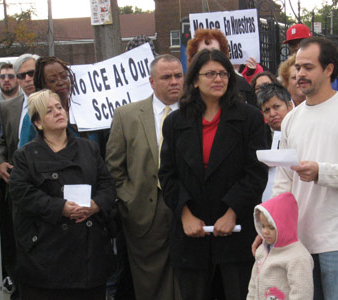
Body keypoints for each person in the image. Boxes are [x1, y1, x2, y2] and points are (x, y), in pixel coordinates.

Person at [269, 37, 338, 299]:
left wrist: (321, 172)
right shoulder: (291, 120)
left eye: (308, 67)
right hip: (299, 239)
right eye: (298, 67)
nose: (300, 74)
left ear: (329, 69)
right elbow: (284, 181)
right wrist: (272, 222)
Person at [158, 49, 268, 300]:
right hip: (191, 236)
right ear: (195, 80)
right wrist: (185, 214)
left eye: (223, 73)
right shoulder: (175, 123)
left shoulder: (249, 118)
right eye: (210, 74)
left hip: (236, 234)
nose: (218, 79)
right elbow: (167, 174)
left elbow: (256, 172)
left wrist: (232, 212)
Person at [8, 89, 116, 299]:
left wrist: (96, 205)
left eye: (59, 107)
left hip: (88, 255)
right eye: (49, 111)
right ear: (38, 123)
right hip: (46, 256)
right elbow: (21, 192)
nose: (58, 112)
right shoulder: (25, 156)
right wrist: (60, 208)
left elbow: (107, 185)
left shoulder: (89, 149)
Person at [106, 54, 183, 300]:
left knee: (187, 276)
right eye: (166, 77)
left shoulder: (196, 112)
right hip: (143, 210)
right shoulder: (127, 116)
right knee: (149, 282)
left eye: (178, 76)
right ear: (151, 81)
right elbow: (113, 166)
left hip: (188, 206)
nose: (174, 82)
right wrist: (127, 198)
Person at [0, 53, 39, 299]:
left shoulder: (53, 102)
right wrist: (0, 161)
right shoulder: (7, 107)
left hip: (46, 188)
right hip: (16, 187)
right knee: (17, 241)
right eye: (21, 75)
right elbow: (1, 141)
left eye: (31, 73)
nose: (26, 79)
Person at [247, 192, 314, 300]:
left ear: (285, 225)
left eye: (271, 227)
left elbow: (302, 293)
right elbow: (253, 284)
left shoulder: (298, 257)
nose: (265, 231)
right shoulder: (262, 250)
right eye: (263, 226)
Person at [186, 29, 258, 107]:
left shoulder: (241, 86)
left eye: (215, 52)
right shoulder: (185, 92)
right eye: (204, 53)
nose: (210, 56)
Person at [256, 83, 292, 202]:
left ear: (290, 106)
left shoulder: (302, 131)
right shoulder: (258, 136)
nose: (272, 114)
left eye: (276, 107)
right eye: (266, 110)